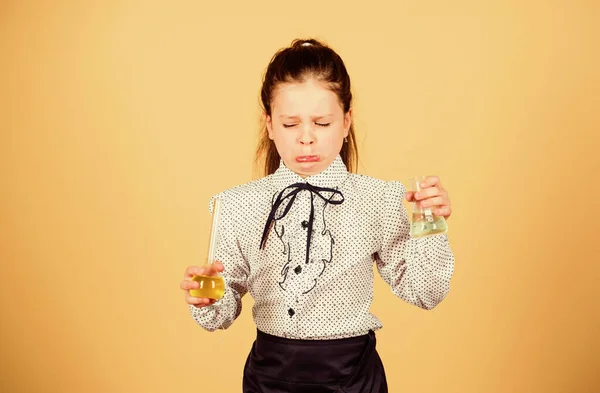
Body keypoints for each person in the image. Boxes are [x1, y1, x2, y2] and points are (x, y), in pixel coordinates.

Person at [180, 38, 455, 393]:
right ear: (269, 125)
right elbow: (219, 312)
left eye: (322, 123)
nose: (306, 138)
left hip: (354, 379)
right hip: (269, 378)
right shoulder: (236, 206)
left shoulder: (379, 199)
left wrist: (429, 223)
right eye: (291, 124)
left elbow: (426, 293)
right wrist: (207, 295)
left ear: (346, 122)